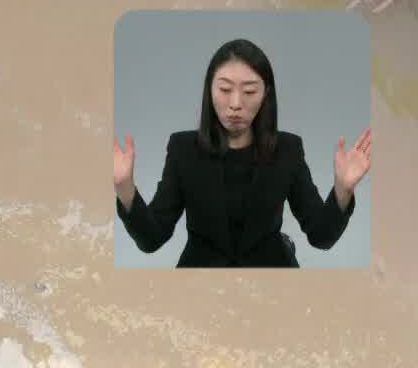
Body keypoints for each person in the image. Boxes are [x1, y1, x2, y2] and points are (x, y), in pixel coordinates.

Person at [112, 38, 372, 267]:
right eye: (224, 90)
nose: (235, 104)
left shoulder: (288, 150)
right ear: (209, 90)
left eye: (249, 91)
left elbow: (320, 237)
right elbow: (152, 239)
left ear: (265, 94)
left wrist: (342, 189)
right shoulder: (183, 149)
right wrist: (125, 187)